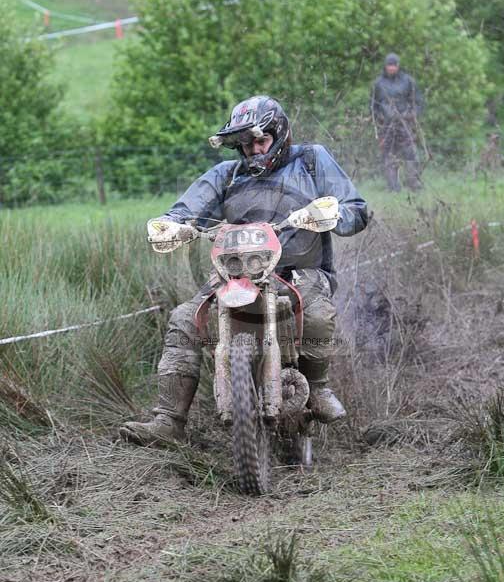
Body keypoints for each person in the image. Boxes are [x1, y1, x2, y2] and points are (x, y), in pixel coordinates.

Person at [120, 95, 368, 449]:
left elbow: (357, 209)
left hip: (300, 271)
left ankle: (319, 388)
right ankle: (168, 421)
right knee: (185, 320)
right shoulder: (226, 174)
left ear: (279, 134)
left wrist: (334, 215)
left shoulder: (312, 160)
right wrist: (171, 224)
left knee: (314, 314)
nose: (254, 150)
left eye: (260, 141)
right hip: (236, 274)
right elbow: (186, 208)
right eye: (246, 143)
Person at [370, 53, 424, 192]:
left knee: (410, 154)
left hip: (405, 123)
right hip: (386, 125)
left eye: (394, 65)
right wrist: (379, 118)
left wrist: (412, 115)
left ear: (398, 66)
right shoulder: (378, 83)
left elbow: (418, 102)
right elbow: (373, 105)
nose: (392, 68)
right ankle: (393, 187)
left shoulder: (408, 81)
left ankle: (414, 184)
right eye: (389, 65)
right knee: (388, 155)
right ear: (385, 66)